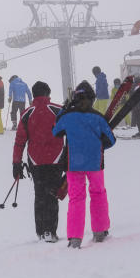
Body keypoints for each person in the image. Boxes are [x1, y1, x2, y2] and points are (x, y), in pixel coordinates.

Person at [52, 81, 116, 248]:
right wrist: (98, 145)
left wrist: (64, 111)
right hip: (95, 163)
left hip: (74, 163)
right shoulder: (98, 117)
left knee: (76, 198)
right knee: (98, 193)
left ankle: (75, 238)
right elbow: (111, 140)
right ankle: (100, 231)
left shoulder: (67, 117)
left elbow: (56, 132)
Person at [12, 81, 66, 242]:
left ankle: (41, 232)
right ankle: (51, 231)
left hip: (35, 161)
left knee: (39, 194)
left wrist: (16, 163)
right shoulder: (58, 110)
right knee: (52, 195)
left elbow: (20, 140)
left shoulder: (27, 113)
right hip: (56, 159)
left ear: (34, 95)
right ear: (48, 93)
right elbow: (68, 132)